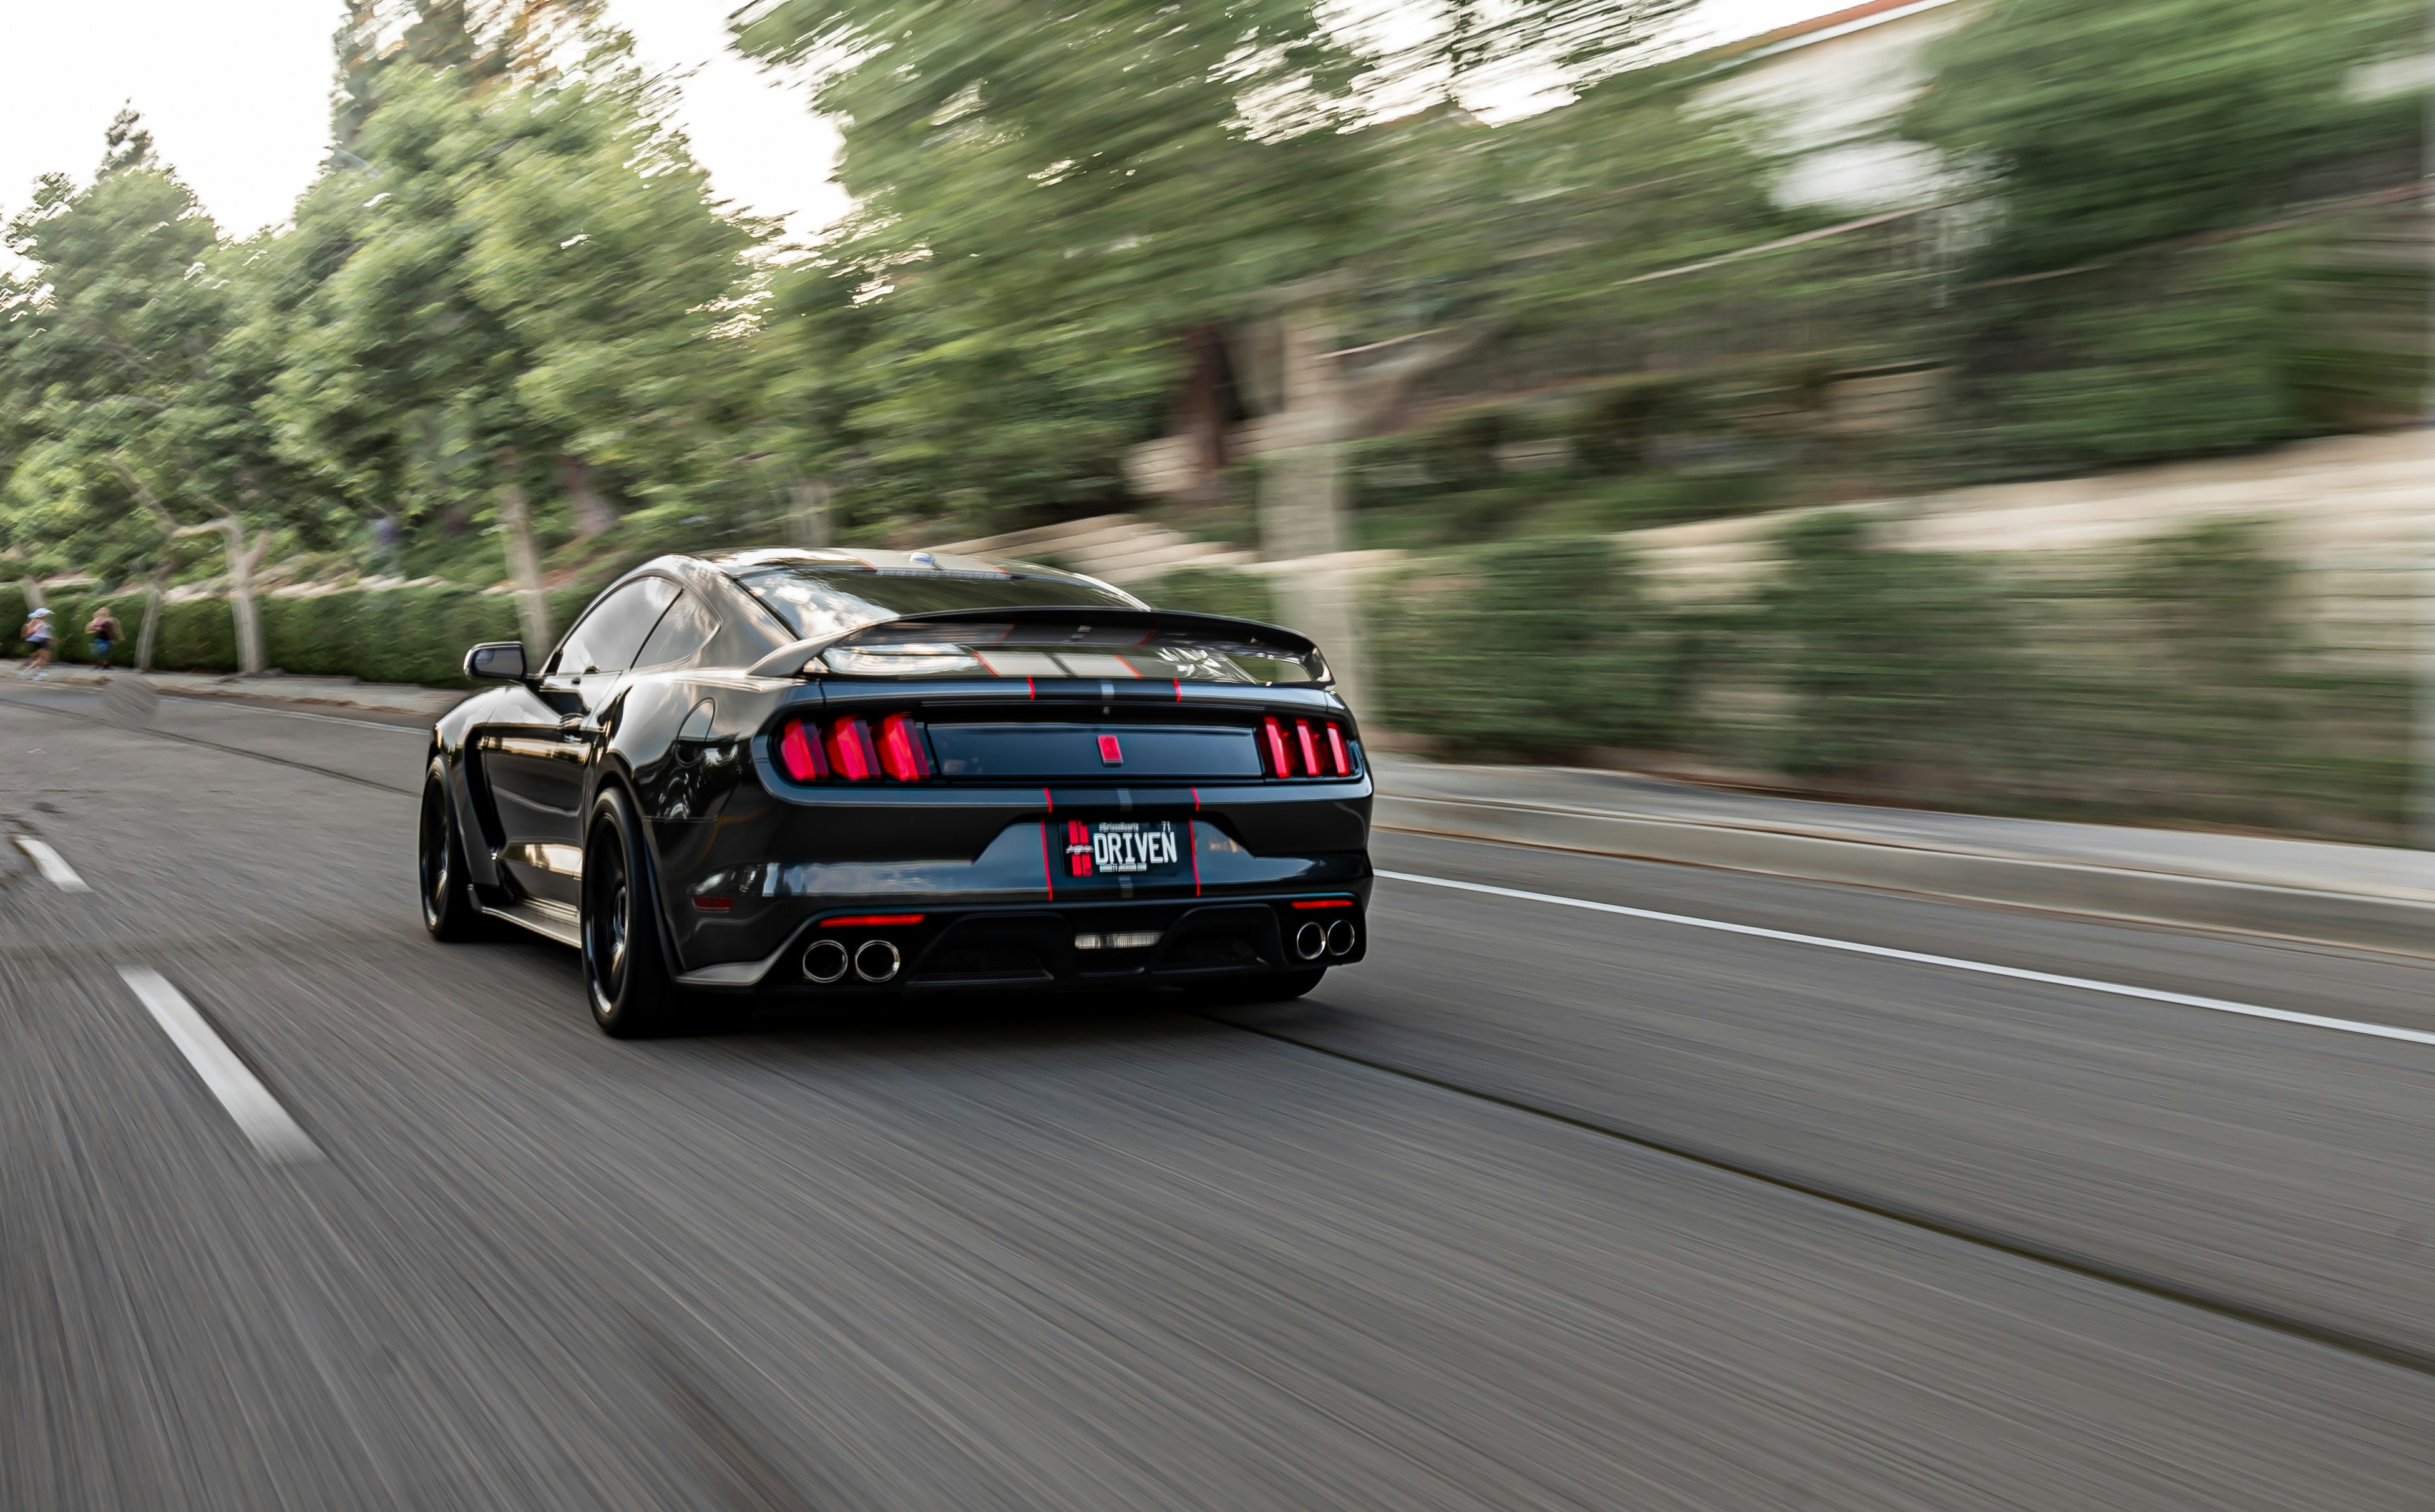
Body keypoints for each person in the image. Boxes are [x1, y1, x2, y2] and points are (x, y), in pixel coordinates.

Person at [17, 605, 54, 678]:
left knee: (44, 659)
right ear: (41, 615)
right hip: (40, 641)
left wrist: (50, 639)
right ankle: (27, 672)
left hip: (43, 641)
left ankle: (36, 674)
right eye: (44, 614)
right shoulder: (36, 621)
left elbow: (44, 633)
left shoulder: (41, 621)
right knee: (43, 659)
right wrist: (35, 630)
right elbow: (29, 631)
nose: (46, 615)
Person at [87, 605, 121, 670]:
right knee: (102, 651)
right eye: (103, 610)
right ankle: (102, 665)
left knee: (106, 652)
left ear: (108, 612)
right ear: (101, 612)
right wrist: (97, 628)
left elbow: (114, 628)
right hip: (100, 637)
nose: (105, 612)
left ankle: (103, 665)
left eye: (106, 610)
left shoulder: (111, 619)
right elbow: (92, 626)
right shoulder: (98, 619)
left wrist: (118, 635)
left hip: (108, 638)